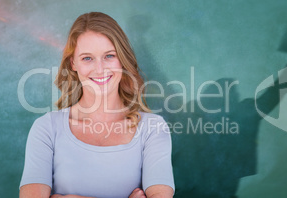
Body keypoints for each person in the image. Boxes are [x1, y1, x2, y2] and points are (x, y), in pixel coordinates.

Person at [19, 12, 175, 198]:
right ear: (73, 63)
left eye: (109, 56)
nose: (99, 69)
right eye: (87, 58)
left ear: (122, 59)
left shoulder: (153, 128)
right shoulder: (46, 128)